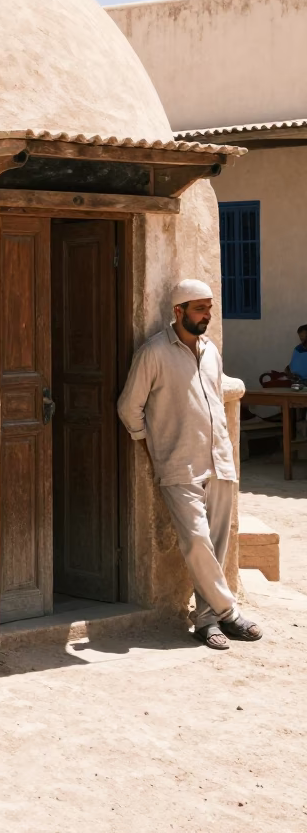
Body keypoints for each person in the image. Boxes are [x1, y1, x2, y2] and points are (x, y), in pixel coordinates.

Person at [117, 278, 263, 650]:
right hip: (178, 463)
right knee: (197, 541)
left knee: (215, 545)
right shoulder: (153, 353)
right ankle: (229, 611)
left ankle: (206, 620)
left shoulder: (212, 351)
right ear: (178, 311)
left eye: (209, 308)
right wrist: (149, 445)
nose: (207, 315)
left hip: (219, 461)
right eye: (200, 308)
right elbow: (128, 407)